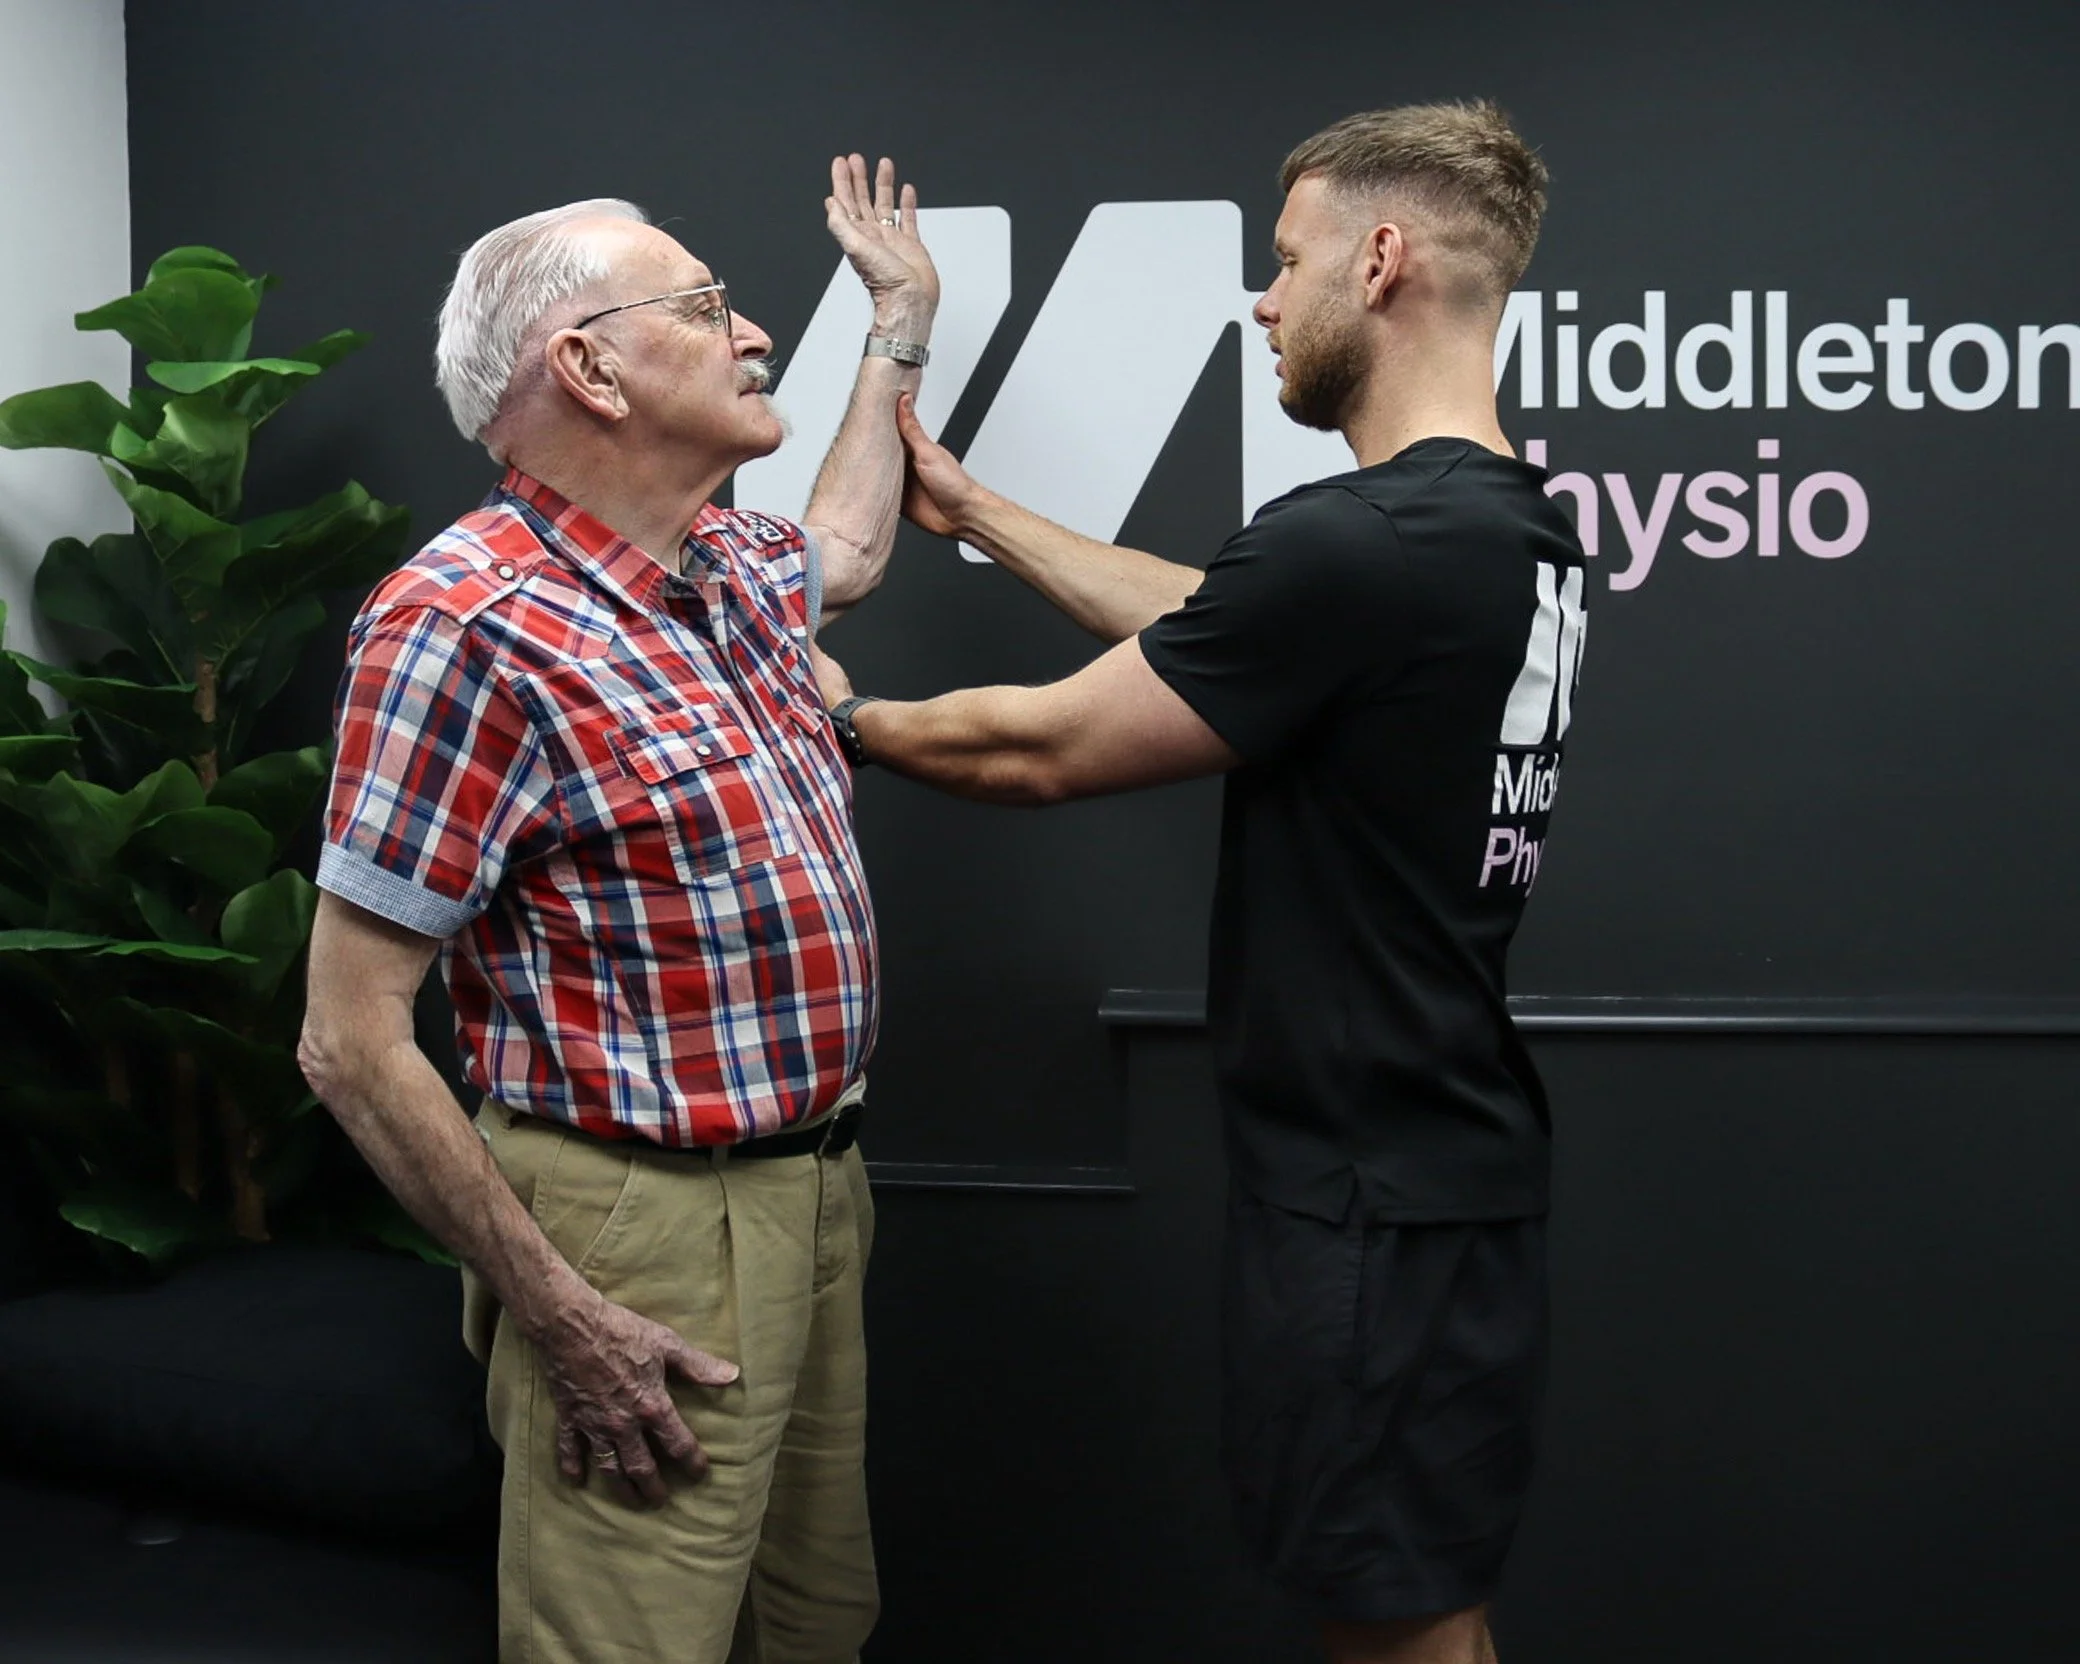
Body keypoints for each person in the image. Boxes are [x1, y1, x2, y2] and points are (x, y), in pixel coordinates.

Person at [814, 102, 1582, 1664]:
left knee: (1392, 1630)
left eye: (1285, 259)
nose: (1261, 298)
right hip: (1443, 1174)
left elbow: (1034, 751)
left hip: (1364, 1197)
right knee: (1428, 1601)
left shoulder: (1360, 542)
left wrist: (826, 710)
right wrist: (978, 516)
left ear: (1379, 261)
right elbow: (1229, 629)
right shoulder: (1508, 532)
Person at [297, 155, 938, 1664]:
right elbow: (348, 1040)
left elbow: (841, 541)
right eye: (707, 306)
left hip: (815, 1188)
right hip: (635, 1225)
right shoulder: (463, 622)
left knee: (814, 1623)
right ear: (584, 365)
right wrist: (560, 1315)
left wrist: (899, 320)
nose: (752, 331)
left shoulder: (722, 565)